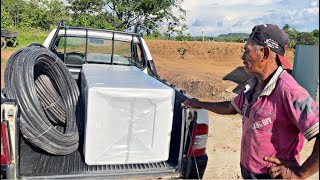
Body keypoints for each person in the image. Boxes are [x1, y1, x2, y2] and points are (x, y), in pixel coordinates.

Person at [182, 24, 319, 179]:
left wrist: (300, 174)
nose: (242, 56)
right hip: (248, 172)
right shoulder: (253, 84)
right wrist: (199, 103)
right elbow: (230, 107)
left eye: (247, 51)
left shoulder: (290, 91)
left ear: (264, 53)